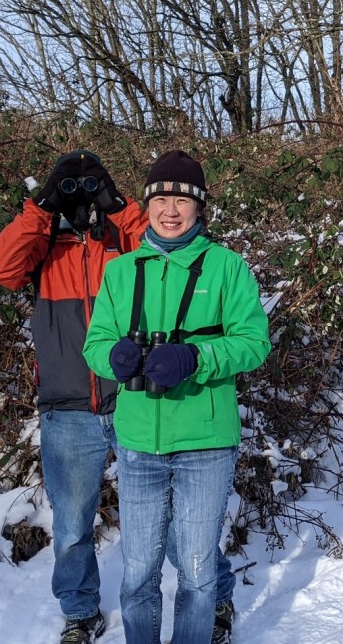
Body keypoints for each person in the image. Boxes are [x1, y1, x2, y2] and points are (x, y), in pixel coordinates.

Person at [82, 149, 270, 644]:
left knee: (197, 571)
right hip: (138, 442)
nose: (170, 210)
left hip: (205, 442)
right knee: (138, 572)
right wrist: (115, 357)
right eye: (161, 199)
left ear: (199, 207)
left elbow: (254, 343)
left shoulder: (227, 267)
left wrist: (196, 357)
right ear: (146, 205)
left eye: (182, 200)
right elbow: (94, 344)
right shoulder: (122, 272)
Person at [0, 150, 148, 644]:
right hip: (66, 406)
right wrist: (43, 207)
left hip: (134, 398)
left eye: (89, 191)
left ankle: (206, 596)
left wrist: (116, 205)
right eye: (70, 191)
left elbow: (166, 251)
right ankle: (80, 613)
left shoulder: (122, 242)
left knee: (173, 511)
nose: (82, 202)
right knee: (72, 526)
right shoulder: (44, 245)